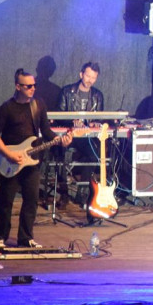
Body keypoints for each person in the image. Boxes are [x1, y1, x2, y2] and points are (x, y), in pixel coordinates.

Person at [0, 68, 72, 249]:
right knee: (6, 200)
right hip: (11, 159)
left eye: (34, 85)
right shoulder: (7, 108)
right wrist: (8, 154)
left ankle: (25, 238)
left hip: (33, 159)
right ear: (18, 86)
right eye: (28, 86)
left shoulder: (38, 105)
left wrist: (61, 141)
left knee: (32, 199)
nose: (32, 89)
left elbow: (47, 131)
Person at [54, 62, 105, 209]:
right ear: (81, 74)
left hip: (86, 137)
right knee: (61, 155)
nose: (90, 80)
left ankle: (82, 193)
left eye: (93, 77)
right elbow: (58, 115)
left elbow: (100, 117)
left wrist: (95, 123)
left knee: (94, 156)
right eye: (88, 76)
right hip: (69, 134)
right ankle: (64, 194)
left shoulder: (97, 95)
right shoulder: (67, 91)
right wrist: (72, 121)